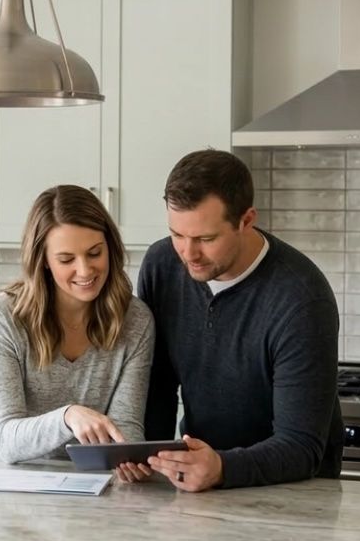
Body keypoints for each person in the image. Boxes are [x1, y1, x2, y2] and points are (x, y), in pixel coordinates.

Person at [137, 149, 343, 491]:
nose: (188, 254)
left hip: (297, 493)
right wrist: (145, 460)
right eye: (177, 234)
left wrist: (221, 468)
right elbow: (158, 387)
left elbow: (302, 447)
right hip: (203, 485)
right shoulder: (162, 265)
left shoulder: (302, 298)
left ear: (246, 220)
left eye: (206, 238)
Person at [0, 185, 154, 481]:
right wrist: (69, 416)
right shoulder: (3, 317)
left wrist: (127, 456)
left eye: (94, 253)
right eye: (66, 259)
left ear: (110, 248)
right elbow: (5, 439)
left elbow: (126, 425)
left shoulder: (135, 320)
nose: (85, 270)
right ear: (44, 262)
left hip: (83, 477)